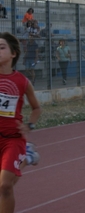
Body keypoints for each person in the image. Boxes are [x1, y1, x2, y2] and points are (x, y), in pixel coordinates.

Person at [0, 32, 41, 213]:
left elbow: (36, 108)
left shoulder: (22, 82)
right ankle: (28, 156)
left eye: (1, 47)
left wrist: (29, 125)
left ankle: (25, 152)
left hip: (12, 139)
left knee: (5, 186)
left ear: (13, 54)